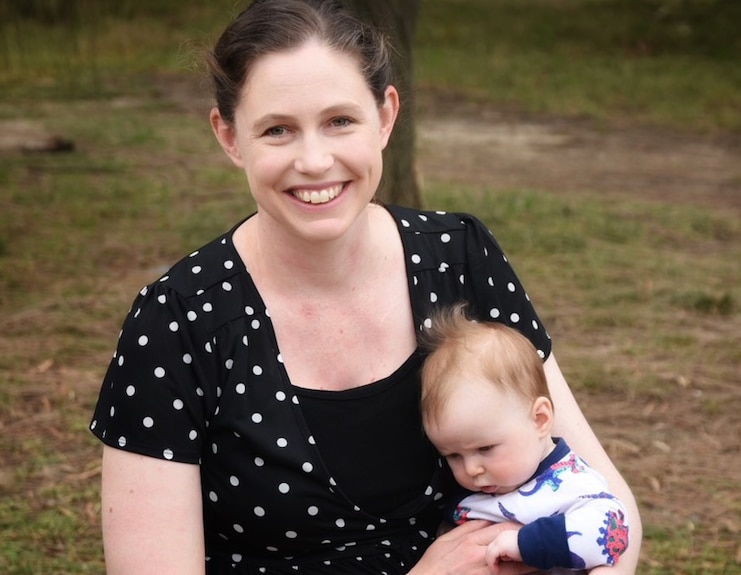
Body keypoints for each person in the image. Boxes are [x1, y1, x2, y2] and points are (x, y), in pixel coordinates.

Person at [88, 1, 642, 573]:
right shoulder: (177, 323)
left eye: (340, 121)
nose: (314, 159)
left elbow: (609, 507)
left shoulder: (460, 257)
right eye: (277, 129)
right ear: (228, 137)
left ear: (385, 117)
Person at [420, 304, 629, 572]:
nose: (471, 469)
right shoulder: (475, 491)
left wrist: (526, 544)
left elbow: (614, 529)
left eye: (485, 448)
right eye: (453, 455)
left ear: (540, 419)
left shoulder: (570, 482)